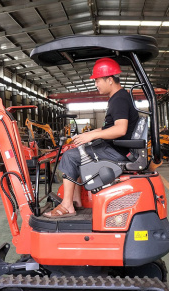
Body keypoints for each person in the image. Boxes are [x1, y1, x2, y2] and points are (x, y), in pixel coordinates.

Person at [43, 57, 139, 218]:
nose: (96, 84)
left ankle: (67, 206)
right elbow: (110, 127)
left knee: (69, 156)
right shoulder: (119, 97)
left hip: (117, 150)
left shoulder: (119, 99)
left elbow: (120, 129)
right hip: (116, 147)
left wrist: (93, 135)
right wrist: (89, 134)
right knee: (78, 151)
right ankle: (77, 201)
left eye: (97, 80)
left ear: (109, 80)